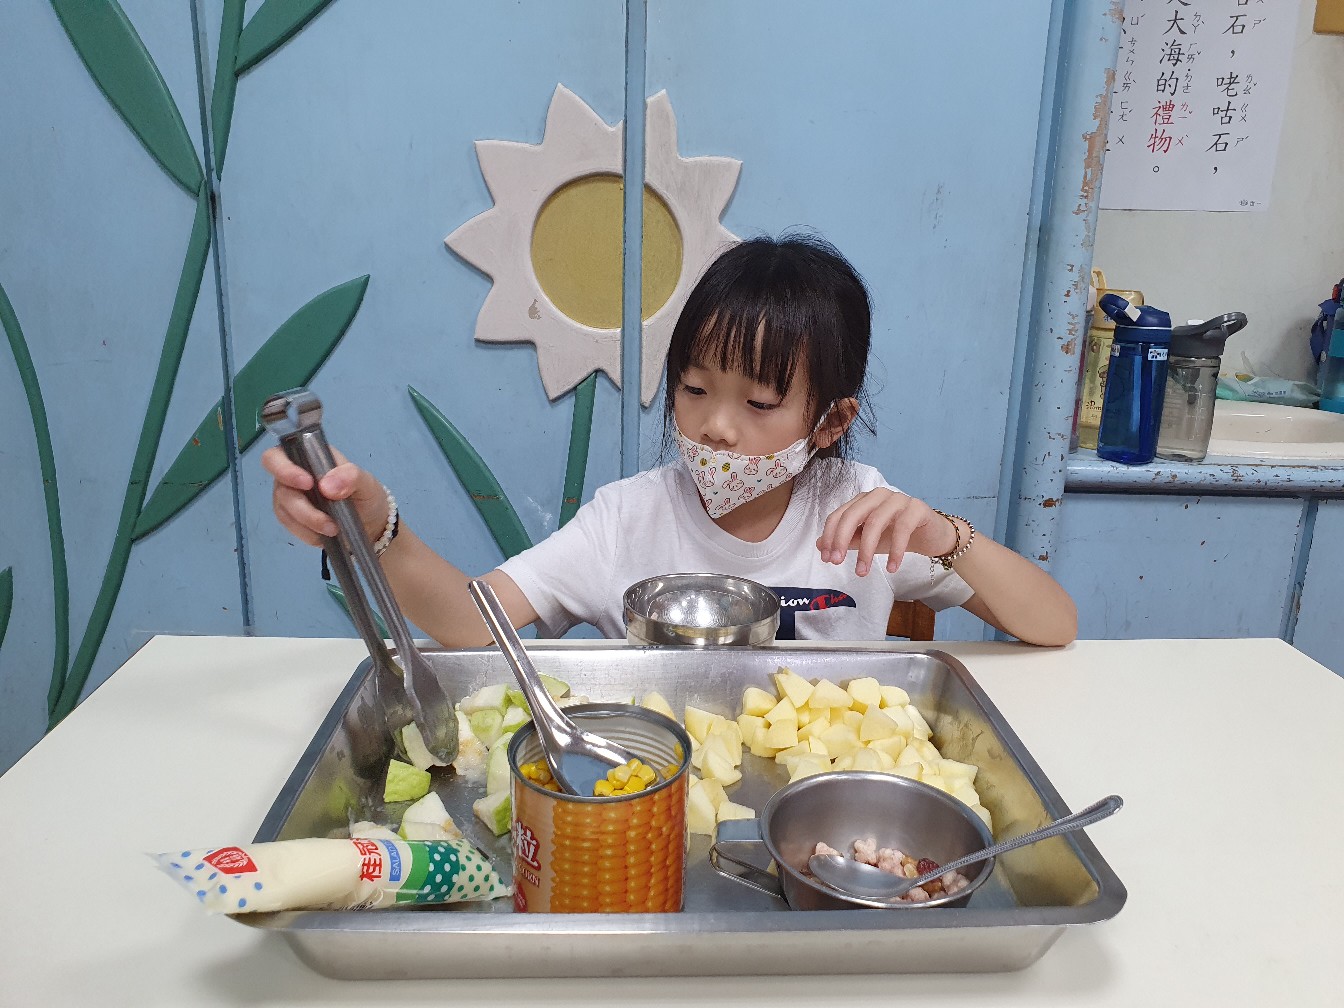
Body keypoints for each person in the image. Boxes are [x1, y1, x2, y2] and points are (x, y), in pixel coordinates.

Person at [265, 235, 1076, 648]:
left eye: (759, 402)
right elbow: (476, 624)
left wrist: (948, 536)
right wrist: (378, 529)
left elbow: (1053, 625)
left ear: (829, 423)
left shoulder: (862, 513)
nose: (716, 425)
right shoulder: (629, 520)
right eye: (693, 389)